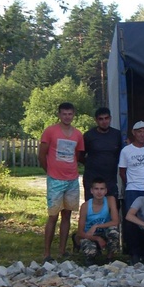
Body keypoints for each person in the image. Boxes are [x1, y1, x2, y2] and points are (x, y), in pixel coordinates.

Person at [38, 102, 84, 262]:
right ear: (59, 114)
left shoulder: (78, 134)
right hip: (55, 179)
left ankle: (62, 251)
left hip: (72, 179)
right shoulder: (50, 131)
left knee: (67, 215)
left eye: (70, 114)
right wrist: (50, 171)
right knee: (53, 215)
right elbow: (41, 154)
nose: (67, 117)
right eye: (64, 114)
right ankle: (46, 253)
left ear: (73, 115)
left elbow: (77, 155)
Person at [118, 121, 144, 257]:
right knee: (132, 220)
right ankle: (133, 252)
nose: (142, 134)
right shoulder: (126, 150)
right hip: (133, 189)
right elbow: (122, 171)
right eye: (139, 131)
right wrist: (130, 184)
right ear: (134, 133)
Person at [72, 177, 120, 263]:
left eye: (102, 189)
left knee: (114, 231)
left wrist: (97, 225)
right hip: (90, 234)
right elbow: (81, 231)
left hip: (105, 231)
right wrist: (97, 238)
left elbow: (116, 221)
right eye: (96, 189)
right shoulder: (85, 206)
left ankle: (110, 258)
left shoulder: (110, 200)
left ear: (105, 191)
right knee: (91, 252)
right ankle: (89, 252)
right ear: (91, 191)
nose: (99, 192)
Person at [80, 107, 123, 201]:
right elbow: (80, 156)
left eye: (106, 118)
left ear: (110, 118)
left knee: (112, 208)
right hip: (92, 179)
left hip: (110, 179)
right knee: (92, 209)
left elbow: (121, 154)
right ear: (96, 120)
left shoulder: (117, 135)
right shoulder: (89, 136)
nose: (104, 121)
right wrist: (92, 164)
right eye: (101, 119)